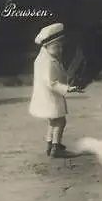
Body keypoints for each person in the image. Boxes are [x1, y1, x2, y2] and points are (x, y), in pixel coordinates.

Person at [29, 23, 84, 158]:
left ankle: (50, 144)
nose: (59, 50)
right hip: (51, 97)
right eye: (55, 47)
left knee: (53, 122)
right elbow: (51, 82)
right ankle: (56, 147)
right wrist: (67, 89)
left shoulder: (45, 58)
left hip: (46, 97)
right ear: (46, 46)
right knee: (60, 121)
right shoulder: (48, 62)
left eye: (60, 47)